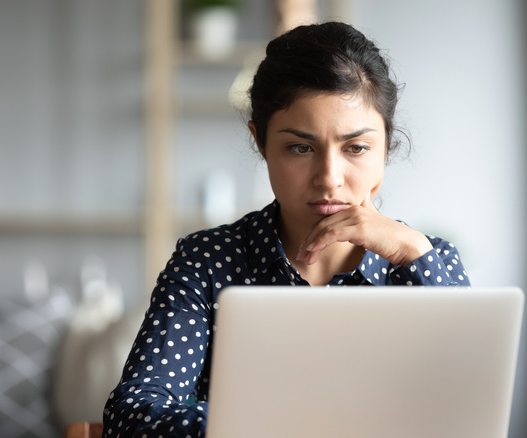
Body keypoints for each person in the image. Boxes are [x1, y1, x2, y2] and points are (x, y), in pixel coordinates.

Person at [102, 21, 470, 437]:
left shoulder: (426, 259)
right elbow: (132, 418)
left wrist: (412, 255)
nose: (329, 177)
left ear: (386, 147)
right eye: (301, 147)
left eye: (356, 147)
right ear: (261, 143)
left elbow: (469, 415)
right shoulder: (206, 262)